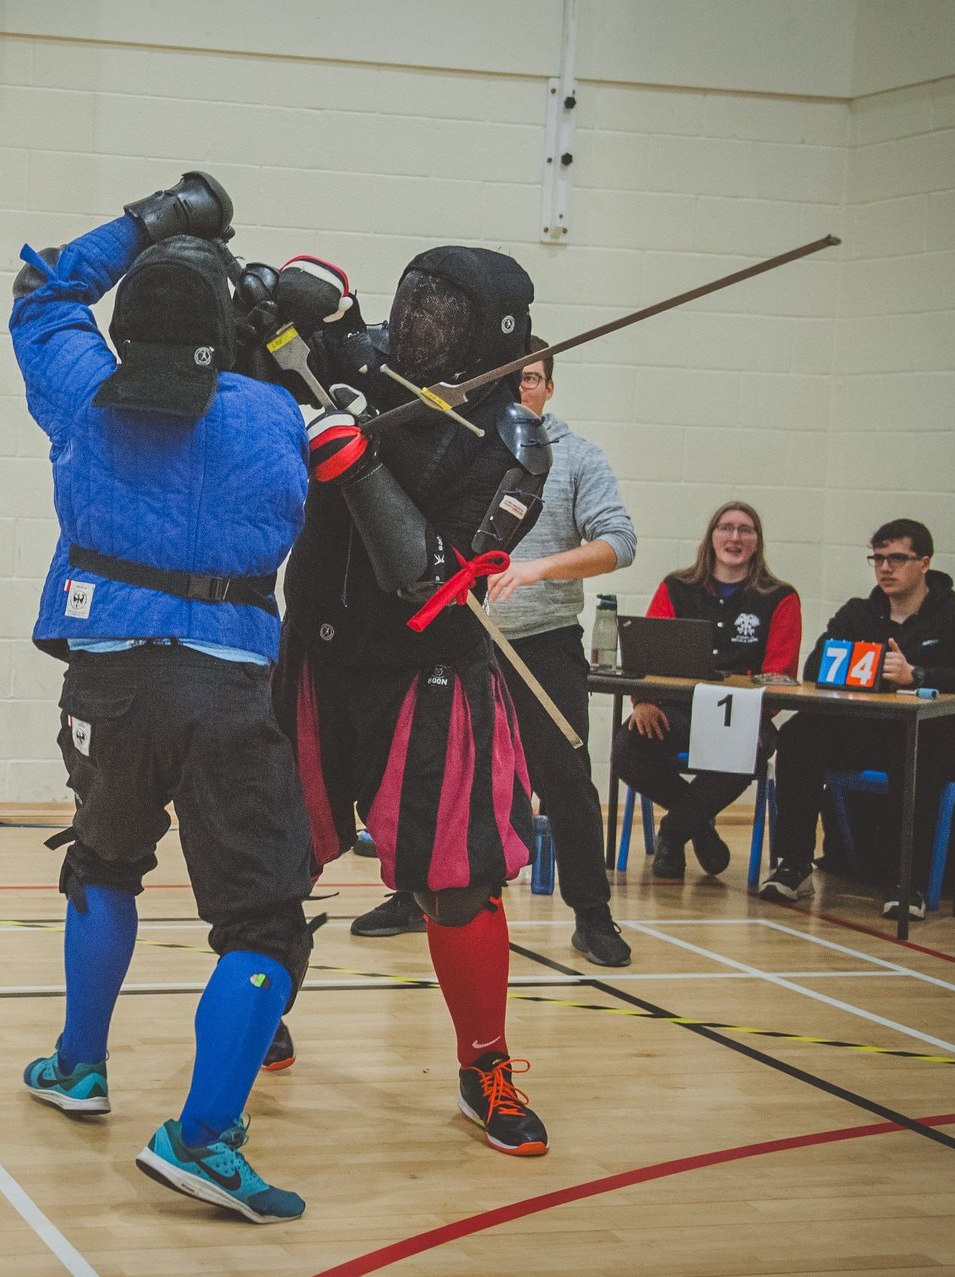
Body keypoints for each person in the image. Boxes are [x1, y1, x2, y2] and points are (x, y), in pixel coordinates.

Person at [7, 173, 317, 1224]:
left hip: (106, 683)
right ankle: (201, 1138)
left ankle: (78, 1065)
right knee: (263, 920)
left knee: (103, 858)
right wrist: (267, 320)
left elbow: (42, 292)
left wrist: (152, 220)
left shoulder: (81, 391)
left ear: (127, 321)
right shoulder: (275, 412)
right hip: (225, 689)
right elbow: (301, 399)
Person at [271, 245, 552, 1157]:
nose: (421, 325)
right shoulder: (362, 359)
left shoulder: (513, 444)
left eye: (445, 314)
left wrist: (359, 467)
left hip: (428, 671)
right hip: (316, 655)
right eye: (416, 302)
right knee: (272, 857)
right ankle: (256, 1005)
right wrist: (283, 305)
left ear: (490, 335)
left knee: (459, 883)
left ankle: (484, 1066)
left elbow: (432, 582)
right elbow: (272, 340)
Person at [349, 337, 638, 967]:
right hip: (458, 643)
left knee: (565, 780)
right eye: (510, 379)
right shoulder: (460, 446)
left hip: (542, 645)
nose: (519, 389)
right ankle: (415, 898)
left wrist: (535, 569)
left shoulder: (577, 457)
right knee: (432, 776)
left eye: (530, 379)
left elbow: (619, 542)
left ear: (549, 388)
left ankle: (593, 916)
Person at [759, 518, 955, 918]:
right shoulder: (858, 613)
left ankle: (908, 881)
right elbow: (816, 667)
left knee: (915, 749)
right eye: (878, 558)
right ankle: (795, 864)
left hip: (936, 737)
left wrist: (917, 675)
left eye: (897, 558)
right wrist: (867, 670)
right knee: (798, 735)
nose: (885, 568)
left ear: (924, 563)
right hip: (868, 731)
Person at [613, 501, 802, 879]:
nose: (735, 537)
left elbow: (779, 674)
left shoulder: (780, 597)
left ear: (757, 542)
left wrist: (750, 715)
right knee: (627, 747)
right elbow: (648, 655)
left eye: (745, 530)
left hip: (743, 716)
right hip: (677, 711)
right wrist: (644, 701)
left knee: (748, 749)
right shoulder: (676, 587)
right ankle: (699, 826)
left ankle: (672, 833)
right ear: (711, 537)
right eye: (726, 528)